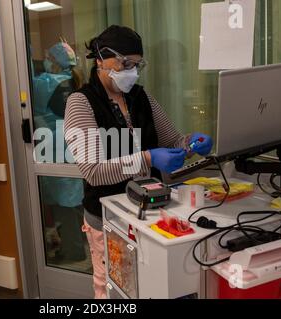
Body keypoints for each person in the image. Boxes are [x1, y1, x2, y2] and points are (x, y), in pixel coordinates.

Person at [64, 25, 213, 298]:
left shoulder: (142, 98)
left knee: (150, 288)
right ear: (100, 59)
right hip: (107, 216)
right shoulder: (81, 103)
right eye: (124, 63)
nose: (130, 71)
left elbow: (172, 140)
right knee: (113, 287)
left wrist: (192, 143)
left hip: (151, 214)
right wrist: (147, 158)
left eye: (136, 64)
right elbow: (93, 171)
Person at [32, 41, 87, 262]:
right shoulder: (75, 79)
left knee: (64, 201)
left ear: (54, 61)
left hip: (54, 144)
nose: (46, 60)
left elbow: (29, 98)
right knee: (74, 199)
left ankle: (73, 251)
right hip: (73, 140)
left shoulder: (46, 82)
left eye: (48, 57)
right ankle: (79, 242)